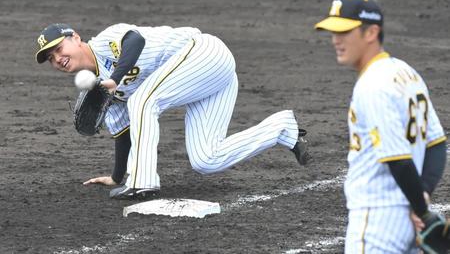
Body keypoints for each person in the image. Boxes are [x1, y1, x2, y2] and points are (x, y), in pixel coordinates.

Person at [35, 23, 309, 199]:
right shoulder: (102, 92)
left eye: (58, 48)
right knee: (206, 159)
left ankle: (143, 182)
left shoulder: (106, 41)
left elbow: (135, 41)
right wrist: (117, 177)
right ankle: (282, 128)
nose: (57, 58)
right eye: (50, 58)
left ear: (76, 38)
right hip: (210, 84)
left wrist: (115, 78)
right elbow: (124, 133)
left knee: (143, 100)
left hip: (206, 54)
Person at [315, 0, 447, 253]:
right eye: (333, 32)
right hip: (407, 219)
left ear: (371, 33)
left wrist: (422, 210)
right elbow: (437, 144)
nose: (335, 40)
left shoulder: (372, 85)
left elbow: (397, 158)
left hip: (376, 222)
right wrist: (422, 197)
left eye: (344, 32)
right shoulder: (406, 72)